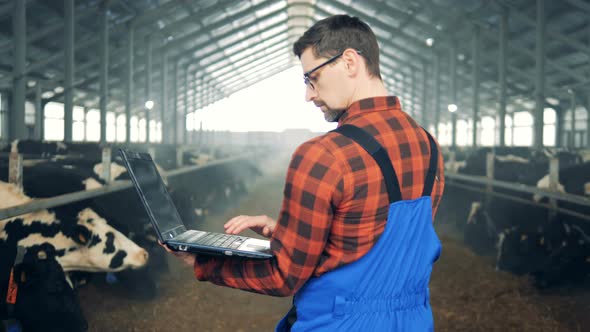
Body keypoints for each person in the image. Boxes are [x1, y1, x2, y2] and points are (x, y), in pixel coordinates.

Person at [163, 14, 445, 331]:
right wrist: (295, 233)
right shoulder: (429, 145)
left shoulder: (322, 155)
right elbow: (378, 240)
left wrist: (205, 263)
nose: (309, 95)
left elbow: (284, 276)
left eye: (312, 78)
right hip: (414, 321)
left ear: (350, 62)